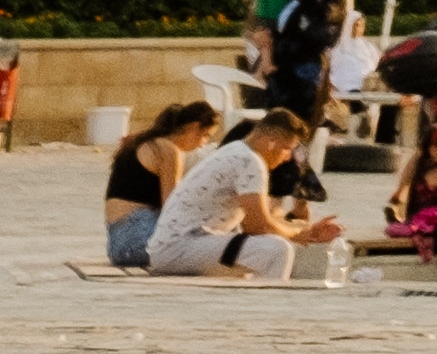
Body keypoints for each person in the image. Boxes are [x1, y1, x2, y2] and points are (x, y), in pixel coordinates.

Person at [152, 104, 337, 279]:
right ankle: (266, 310)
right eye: (286, 149)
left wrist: (304, 230)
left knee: (256, 251)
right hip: (179, 248)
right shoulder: (250, 161)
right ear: (271, 142)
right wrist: (301, 235)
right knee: (276, 250)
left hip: (180, 246)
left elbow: (263, 220)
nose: (287, 157)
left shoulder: (237, 150)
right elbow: (258, 227)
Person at [103, 97, 223, 268]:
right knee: (214, 238)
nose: (203, 144)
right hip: (136, 240)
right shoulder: (168, 150)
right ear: (194, 127)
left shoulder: (144, 143)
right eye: (205, 136)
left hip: (119, 245)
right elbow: (173, 207)